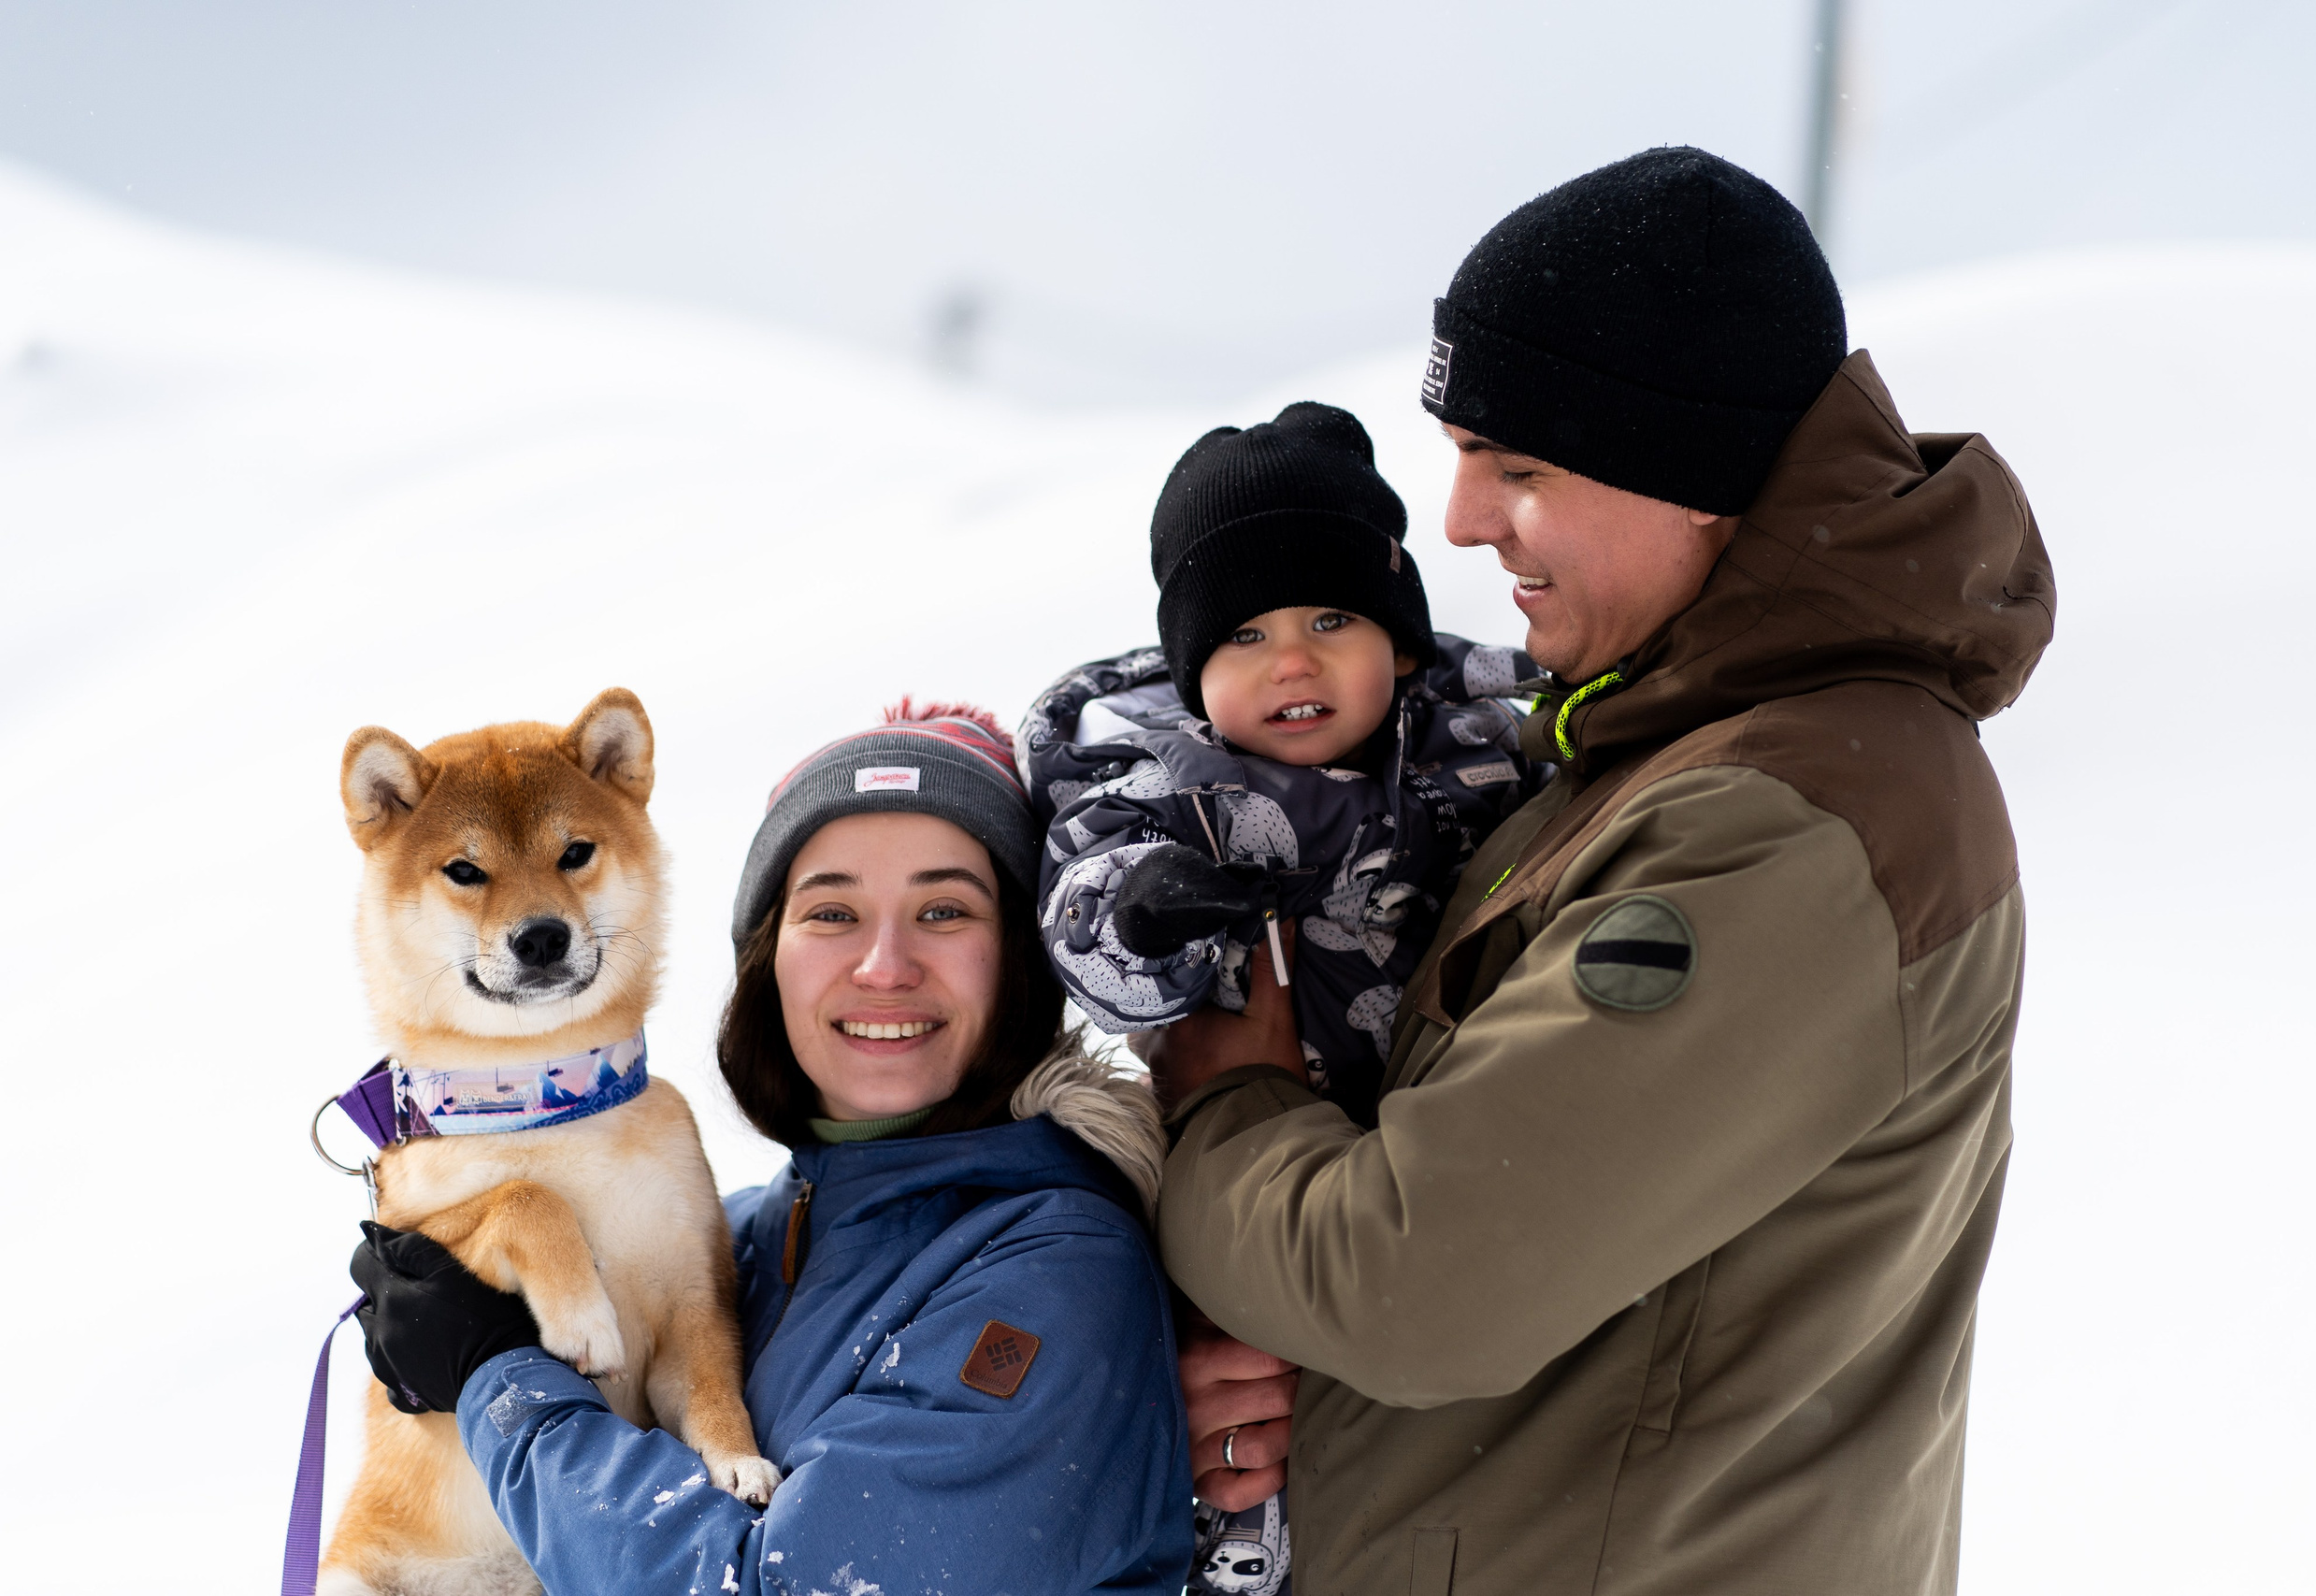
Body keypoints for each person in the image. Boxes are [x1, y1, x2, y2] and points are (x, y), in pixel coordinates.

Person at [1151, 146, 2058, 1595]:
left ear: (1693, 476)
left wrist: (1226, 1102)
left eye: (1518, 467)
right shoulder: (1655, 752)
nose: (1456, 521)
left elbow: (1412, 1276)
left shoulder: (1791, 823)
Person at [347, 705, 1194, 1596]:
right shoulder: (764, 1235)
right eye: (832, 911)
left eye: (944, 909)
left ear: (1021, 956)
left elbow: (785, 1585)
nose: (882, 964)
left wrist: (495, 1375)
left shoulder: (1058, 1267)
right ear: (768, 955)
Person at [1019, 403, 1542, 1593]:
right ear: (1192, 671)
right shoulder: (1163, 779)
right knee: (1234, 1355)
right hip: (1226, 1166)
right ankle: (1231, 1539)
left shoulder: (1483, 754)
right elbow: (1082, 908)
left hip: (1411, 1149)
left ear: (1400, 644)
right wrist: (1148, 915)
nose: (1291, 661)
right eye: (1244, 634)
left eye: (1330, 618)